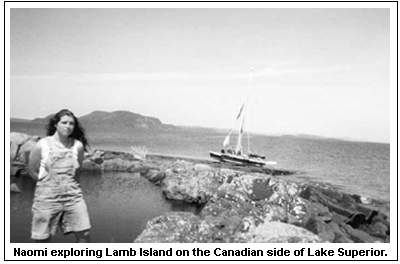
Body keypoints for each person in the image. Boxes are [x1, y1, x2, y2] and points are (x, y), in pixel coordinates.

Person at [28, 109, 91, 242]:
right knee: (42, 239)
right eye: (64, 123)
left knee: (84, 235)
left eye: (71, 124)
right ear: (56, 124)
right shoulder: (42, 145)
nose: (68, 126)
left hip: (73, 197)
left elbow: (77, 171)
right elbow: (32, 170)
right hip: (47, 199)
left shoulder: (77, 146)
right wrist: (46, 186)